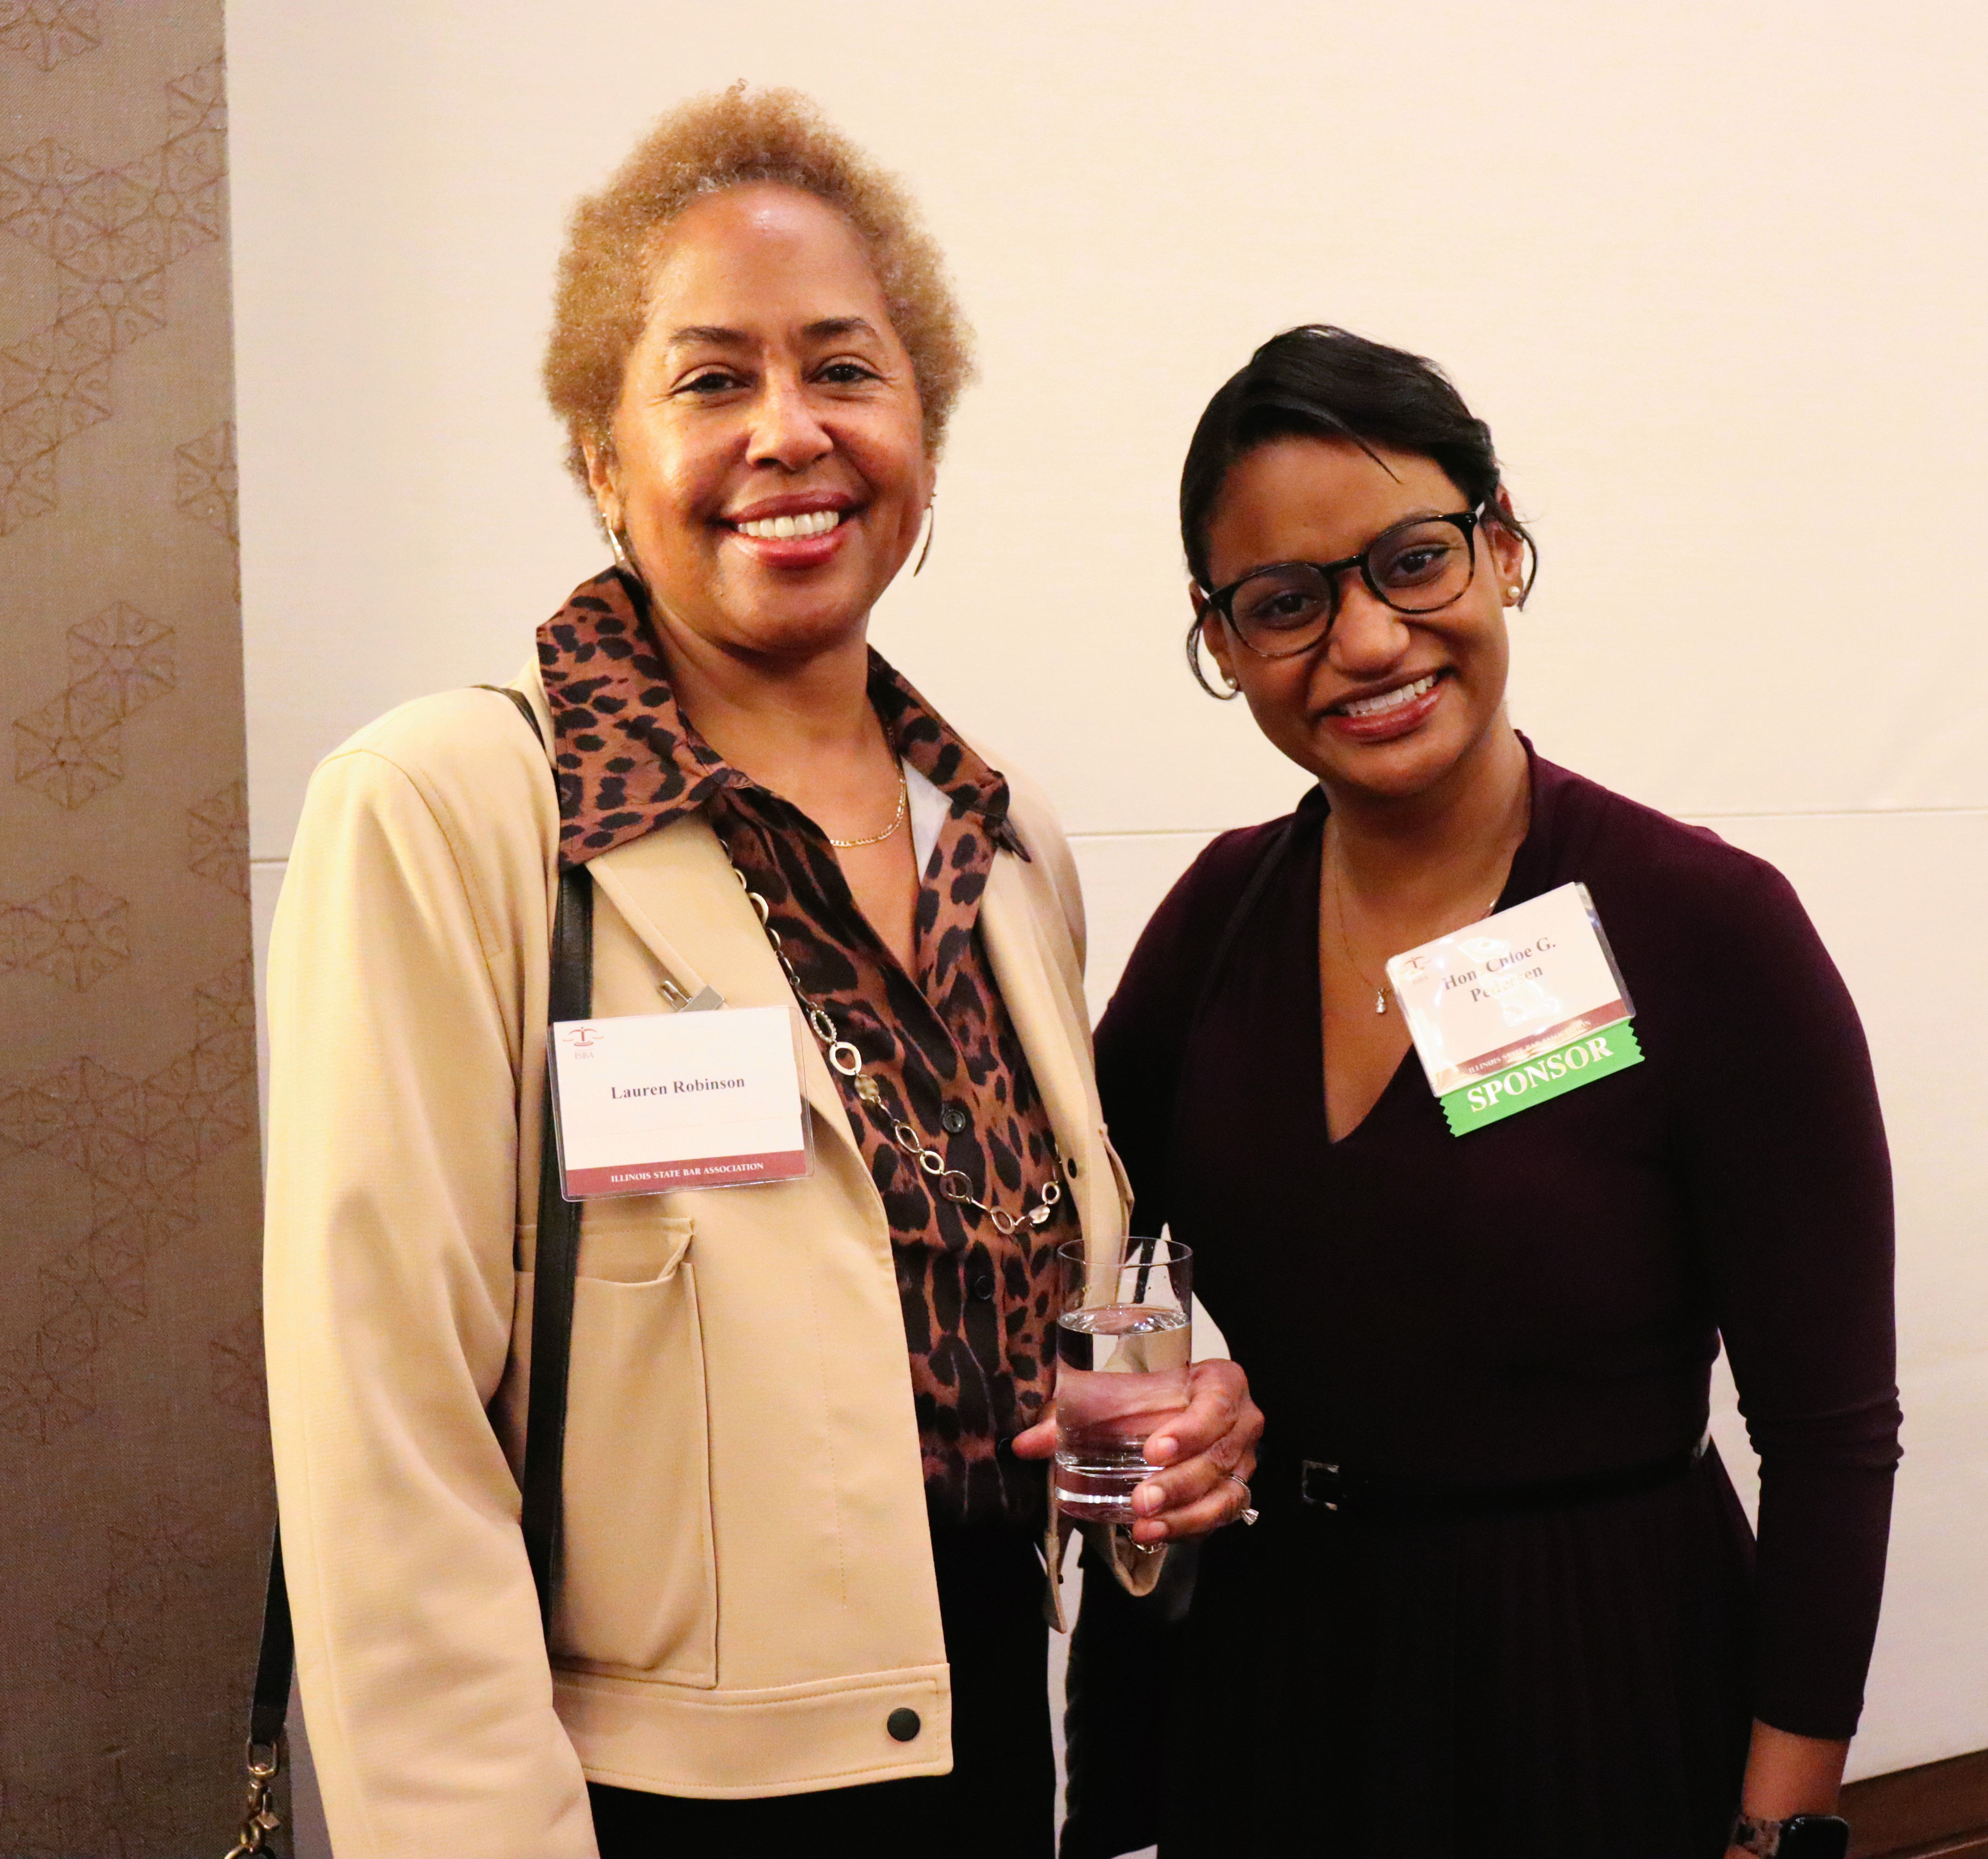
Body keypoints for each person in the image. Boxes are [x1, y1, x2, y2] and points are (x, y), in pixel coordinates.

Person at [261, 87, 1260, 1859]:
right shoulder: (455, 812)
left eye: (845, 371)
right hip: (635, 1803)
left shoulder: (1003, 843)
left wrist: (1164, 1438)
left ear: (924, 433)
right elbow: (383, 1441)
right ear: (600, 457)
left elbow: (965, 1314)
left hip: (979, 1742)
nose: (789, 433)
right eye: (711, 380)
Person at [1062, 326, 1900, 1859]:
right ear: (1222, 640)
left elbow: (1830, 1439)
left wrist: (1778, 1832)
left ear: (1501, 546)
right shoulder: (1219, 920)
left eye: (1411, 562)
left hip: (1593, 1676)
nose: (1367, 641)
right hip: (1275, 1683)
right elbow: (1053, 1242)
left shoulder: (1700, 925)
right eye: (1285, 602)